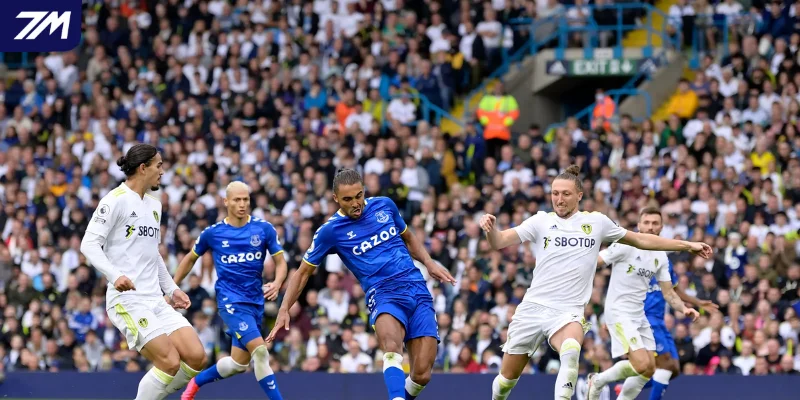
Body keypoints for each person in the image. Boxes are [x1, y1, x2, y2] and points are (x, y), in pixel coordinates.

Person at [478, 165, 712, 400]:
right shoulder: (540, 222)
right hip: (533, 308)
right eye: (555, 193)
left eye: (566, 194)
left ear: (579, 196)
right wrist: (490, 229)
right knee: (506, 382)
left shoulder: (598, 223)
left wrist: (688, 245)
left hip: (568, 311)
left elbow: (640, 239)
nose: (559, 199)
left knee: (571, 353)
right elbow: (498, 242)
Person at [266, 169, 456, 400]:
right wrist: (285, 307)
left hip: (416, 288)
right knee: (391, 349)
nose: (356, 203)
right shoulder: (330, 231)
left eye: (359, 195)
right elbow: (303, 272)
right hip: (383, 294)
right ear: (336, 198)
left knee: (422, 375)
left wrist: (429, 262)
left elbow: (407, 237)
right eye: (348, 199)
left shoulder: (384, 206)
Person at [80, 143, 207, 400]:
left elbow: (153, 254)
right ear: (143, 168)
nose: (163, 172)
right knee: (170, 361)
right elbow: (88, 245)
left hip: (155, 300)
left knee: (196, 356)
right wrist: (115, 276)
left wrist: (172, 289)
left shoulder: (154, 205)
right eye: (159, 166)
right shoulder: (114, 200)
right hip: (127, 300)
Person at [174, 181, 287, 400]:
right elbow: (190, 259)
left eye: (246, 199)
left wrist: (277, 282)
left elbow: (281, 262)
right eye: (237, 199)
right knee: (261, 352)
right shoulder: (213, 233)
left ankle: (196, 382)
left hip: (255, 301)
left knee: (237, 364)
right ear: (226, 202)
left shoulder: (263, 229)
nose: (242, 204)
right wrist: (173, 287)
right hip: (230, 302)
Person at [587, 206, 714, 400]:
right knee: (640, 364)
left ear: (662, 227)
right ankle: (598, 380)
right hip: (619, 312)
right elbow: (596, 261)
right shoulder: (625, 244)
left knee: (648, 370)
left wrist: (683, 308)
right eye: (646, 222)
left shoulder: (661, 256)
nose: (650, 227)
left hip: (639, 316)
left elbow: (669, 292)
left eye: (655, 223)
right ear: (638, 225)